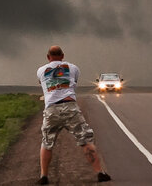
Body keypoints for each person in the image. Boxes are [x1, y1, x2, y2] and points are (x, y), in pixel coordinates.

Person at [36, 45, 111, 183]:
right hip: (70, 106)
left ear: (48, 57)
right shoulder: (73, 68)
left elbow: (42, 83)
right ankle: (100, 172)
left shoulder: (41, 70)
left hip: (51, 108)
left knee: (47, 141)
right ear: (63, 55)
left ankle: (43, 176)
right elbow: (73, 83)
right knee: (85, 139)